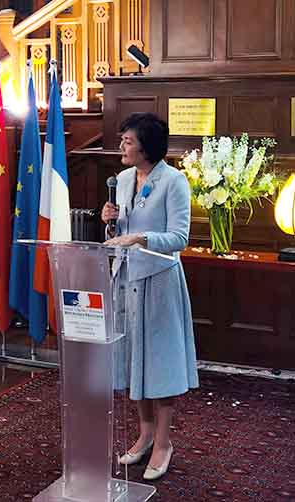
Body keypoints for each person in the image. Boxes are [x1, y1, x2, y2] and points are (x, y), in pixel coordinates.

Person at [101, 112, 199, 481]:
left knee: (159, 363)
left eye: (127, 141)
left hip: (159, 282)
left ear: (147, 145)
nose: (122, 146)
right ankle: (143, 434)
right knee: (132, 361)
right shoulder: (123, 179)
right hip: (126, 278)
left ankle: (163, 442)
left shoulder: (174, 182)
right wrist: (109, 218)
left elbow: (179, 239)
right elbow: (119, 229)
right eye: (122, 140)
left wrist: (141, 238)